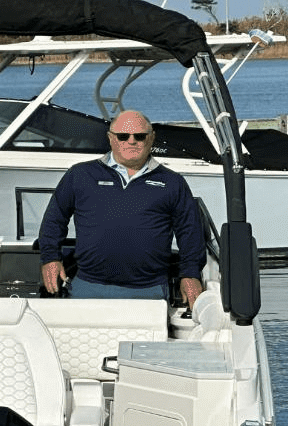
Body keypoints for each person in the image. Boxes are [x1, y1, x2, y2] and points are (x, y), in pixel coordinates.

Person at [38, 110, 205, 308]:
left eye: (140, 136)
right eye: (123, 136)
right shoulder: (80, 175)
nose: (131, 141)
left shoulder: (172, 182)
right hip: (88, 287)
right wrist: (50, 259)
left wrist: (191, 274)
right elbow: (54, 220)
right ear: (111, 138)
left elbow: (190, 232)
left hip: (149, 291)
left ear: (151, 138)